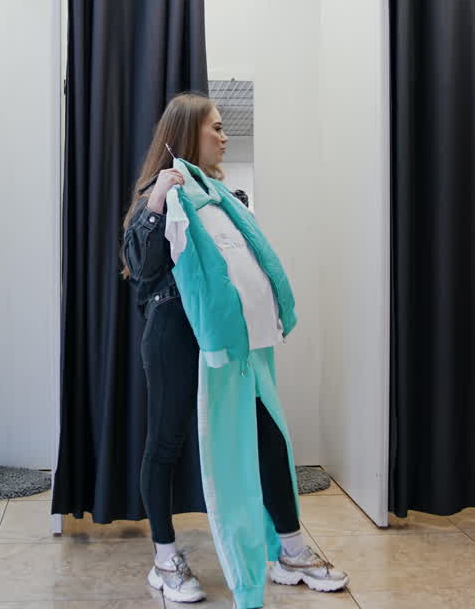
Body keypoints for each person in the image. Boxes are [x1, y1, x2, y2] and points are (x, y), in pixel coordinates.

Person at [122, 93, 347, 607]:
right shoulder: (157, 194)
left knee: (267, 434)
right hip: (176, 333)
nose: (224, 136)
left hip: (233, 338)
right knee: (166, 442)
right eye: (216, 128)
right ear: (185, 134)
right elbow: (144, 264)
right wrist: (158, 199)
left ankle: (290, 549)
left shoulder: (224, 197)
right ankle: (164, 559)